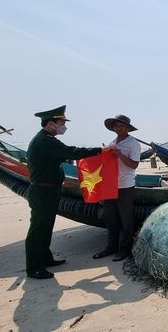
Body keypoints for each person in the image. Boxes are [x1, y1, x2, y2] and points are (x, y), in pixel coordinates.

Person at [26, 105, 111, 279]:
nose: (64, 126)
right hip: (42, 192)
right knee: (38, 229)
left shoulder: (46, 140)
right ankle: (34, 267)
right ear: (51, 124)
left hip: (48, 191)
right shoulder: (45, 141)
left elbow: (64, 155)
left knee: (46, 227)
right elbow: (70, 152)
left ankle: (45, 259)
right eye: (61, 123)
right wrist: (99, 150)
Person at [93, 115, 141, 262]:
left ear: (127, 128)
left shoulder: (133, 144)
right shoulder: (112, 142)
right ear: (113, 127)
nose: (118, 128)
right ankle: (111, 247)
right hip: (111, 185)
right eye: (116, 125)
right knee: (110, 218)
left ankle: (125, 249)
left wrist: (119, 155)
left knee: (126, 219)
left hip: (125, 186)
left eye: (121, 125)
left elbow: (134, 165)